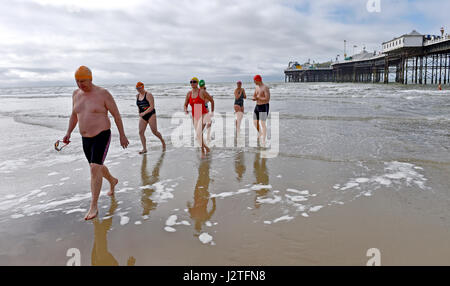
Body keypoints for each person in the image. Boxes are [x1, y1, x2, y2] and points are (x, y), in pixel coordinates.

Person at [63, 66, 129, 221]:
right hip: (85, 138)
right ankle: (112, 181)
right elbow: (74, 115)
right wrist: (68, 133)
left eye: (83, 81)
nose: (80, 85)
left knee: (94, 168)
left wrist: (122, 135)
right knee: (96, 166)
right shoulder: (76, 94)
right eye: (77, 81)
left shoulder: (103, 94)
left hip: (102, 135)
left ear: (91, 79)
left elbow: (116, 115)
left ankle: (93, 206)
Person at [184, 77, 214, 154]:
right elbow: (185, 104)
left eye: (194, 82)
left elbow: (211, 100)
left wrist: (212, 112)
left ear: (197, 83)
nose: (192, 83)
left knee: (198, 133)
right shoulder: (189, 94)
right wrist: (185, 109)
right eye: (191, 82)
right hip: (195, 114)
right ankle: (206, 148)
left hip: (203, 113)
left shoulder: (202, 92)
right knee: (198, 135)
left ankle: (202, 151)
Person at [135, 82, 166, 154]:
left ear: (143, 87)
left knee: (154, 131)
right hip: (143, 116)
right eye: (137, 88)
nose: (138, 90)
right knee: (141, 132)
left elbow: (152, 107)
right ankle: (144, 149)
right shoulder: (137, 96)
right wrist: (139, 112)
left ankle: (162, 141)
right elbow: (139, 105)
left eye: (140, 88)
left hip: (151, 114)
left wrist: (144, 113)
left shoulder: (148, 95)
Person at [252, 75, 270, 146]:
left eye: (254, 81)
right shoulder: (256, 87)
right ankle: (260, 133)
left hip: (264, 106)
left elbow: (267, 99)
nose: (254, 82)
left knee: (263, 123)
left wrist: (259, 98)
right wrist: (254, 98)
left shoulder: (265, 87)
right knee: (254, 122)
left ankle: (264, 140)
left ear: (258, 80)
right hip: (257, 106)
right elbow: (254, 95)